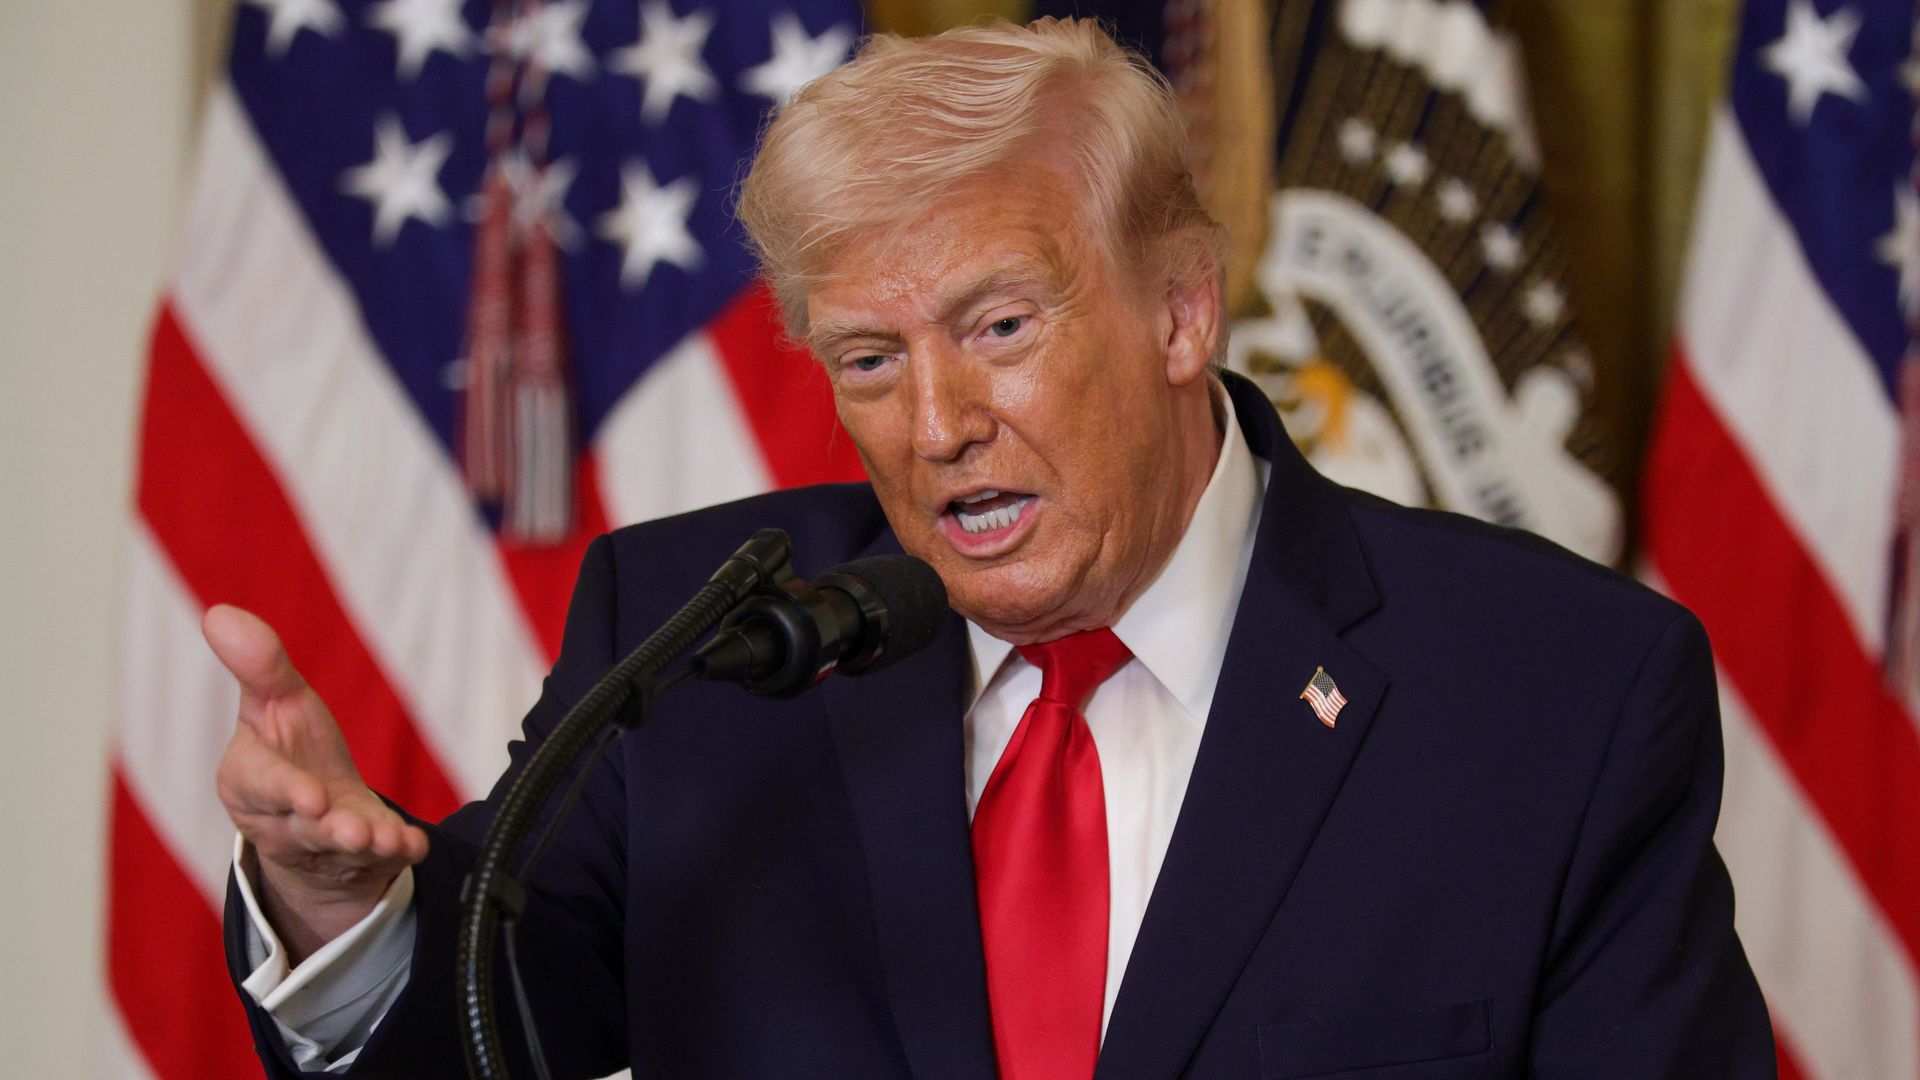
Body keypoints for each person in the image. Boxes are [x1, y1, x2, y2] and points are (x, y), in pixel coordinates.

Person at [212, 17, 1774, 1079]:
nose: (934, 421)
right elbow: (484, 1012)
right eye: (867, 359)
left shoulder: (1553, 694)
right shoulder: (706, 644)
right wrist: (330, 905)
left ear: (1179, 310)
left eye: (999, 328)